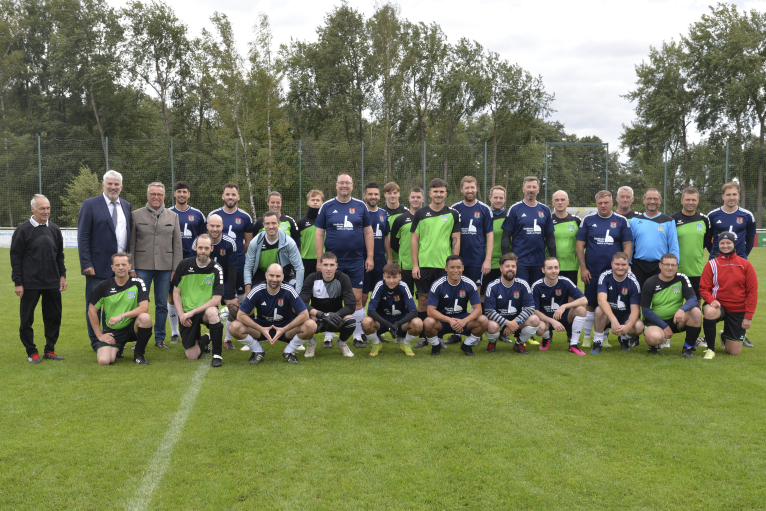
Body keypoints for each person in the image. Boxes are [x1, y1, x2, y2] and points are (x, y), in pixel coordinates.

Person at [314, 173, 374, 350]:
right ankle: (328, 335)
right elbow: (319, 233)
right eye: (341, 183)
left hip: (356, 260)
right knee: (329, 298)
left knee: (356, 298)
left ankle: (356, 335)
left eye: (347, 183)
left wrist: (369, 256)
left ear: (352, 186)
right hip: (332, 261)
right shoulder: (327, 206)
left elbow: (368, 233)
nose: (344, 186)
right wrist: (320, 259)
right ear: (336, 185)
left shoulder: (360, 206)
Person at [78, 169, 131, 351]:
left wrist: (128, 265)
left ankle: (114, 338)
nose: (113, 187)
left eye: (116, 184)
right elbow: (83, 236)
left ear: (121, 186)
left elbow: (127, 237)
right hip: (97, 266)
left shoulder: (126, 206)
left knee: (116, 305)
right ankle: (96, 341)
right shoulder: (90, 204)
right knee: (94, 306)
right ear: (103, 185)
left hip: (121, 268)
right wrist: (86, 263)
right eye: (110, 183)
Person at [11, 194, 67, 363]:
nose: (46, 211)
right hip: (30, 283)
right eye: (42, 208)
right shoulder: (23, 230)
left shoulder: (55, 229)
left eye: (48, 208)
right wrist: (18, 282)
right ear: (33, 209)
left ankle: (50, 349)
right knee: (27, 318)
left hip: (52, 281)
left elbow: (60, 256)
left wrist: (62, 275)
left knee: (54, 316)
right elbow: (16, 258)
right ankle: (31, 351)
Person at [129, 182, 183, 350]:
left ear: (164, 196)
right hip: (142, 267)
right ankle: (138, 338)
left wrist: (176, 268)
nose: (156, 197)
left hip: (165, 268)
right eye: (153, 194)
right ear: (147, 195)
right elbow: (130, 244)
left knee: (161, 304)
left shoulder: (172, 216)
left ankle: (160, 338)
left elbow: (177, 245)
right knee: (139, 304)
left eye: (159, 194)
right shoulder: (136, 215)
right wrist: (132, 268)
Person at [229, 263, 317, 365]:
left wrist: (284, 329)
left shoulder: (289, 290)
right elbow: (240, 315)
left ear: (283, 277)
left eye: (278, 276)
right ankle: (257, 350)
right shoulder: (257, 290)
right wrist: (261, 328)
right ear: (266, 275)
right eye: (271, 275)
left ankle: (289, 351)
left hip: (285, 328)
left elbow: (304, 314)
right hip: (262, 327)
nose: (274, 279)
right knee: (234, 327)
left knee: (311, 325)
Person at [576, 190, 633, 347]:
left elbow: (627, 245)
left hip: (614, 273)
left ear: (612, 203)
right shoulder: (588, 220)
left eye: (606, 202)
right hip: (592, 271)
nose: (603, 205)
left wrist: (625, 266)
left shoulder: (621, 221)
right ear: (596, 203)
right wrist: (583, 268)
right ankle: (587, 337)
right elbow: (580, 246)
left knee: (610, 304)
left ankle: (604, 337)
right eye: (600, 203)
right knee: (591, 303)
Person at [411, 178, 461, 348]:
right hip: (424, 265)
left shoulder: (453, 213)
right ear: (430, 193)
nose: (438, 194)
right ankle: (423, 337)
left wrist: (454, 266)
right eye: (435, 191)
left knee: (441, 302)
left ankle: (437, 335)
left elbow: (456, 239)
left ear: (446, 194)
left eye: (442, 192)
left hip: (443, 266)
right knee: (423, 300)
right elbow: (414, 240)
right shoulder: (420, 213)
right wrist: (415, 265)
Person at [88, 253, 153, 366]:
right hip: (114, 331)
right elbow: (91, 310)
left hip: (133, 327)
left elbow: (144, 308)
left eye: (124, 264)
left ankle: (139, 355)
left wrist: (121, 316)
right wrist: (100, 335)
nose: (121, 267)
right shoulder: (103, 286)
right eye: (117, 265)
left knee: (145, 318)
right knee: (104, 361)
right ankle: (119, 348)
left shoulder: (138, 283)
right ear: (112, 267)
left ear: (129, 266)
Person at [700, 232, 758, 358]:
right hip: (719, 305)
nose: (725, 245)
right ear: (718, 244)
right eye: (722, 243)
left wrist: (748, 316)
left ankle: (724, 335)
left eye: (728, 243)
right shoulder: (712, 264)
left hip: (738, 309)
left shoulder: (745, 264)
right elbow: (703, 288)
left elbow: (752, 292)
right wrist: (711, 300)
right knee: (709, 311)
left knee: (733, 352)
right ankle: (710, 349)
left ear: (734, 243)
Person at [171, 234, 225, 366]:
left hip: (204, 311)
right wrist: (181, 314)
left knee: (213, 312)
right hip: (187, 313)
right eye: (200, 247)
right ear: (195, 247)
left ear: (211, 249)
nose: (203, 251)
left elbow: (216, 300)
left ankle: (217, 355)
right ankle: (206, 338)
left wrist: (193, 312)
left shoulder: (216, 268)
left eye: (206, 248)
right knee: (192, 356)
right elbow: (176, 293)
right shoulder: (184, 265)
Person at [423, 255, 488, 356]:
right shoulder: (437, 285)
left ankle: (466, 344)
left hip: (462, 319)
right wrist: (449, 320)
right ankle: (436, 345)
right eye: (452, 267)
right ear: (446, 268)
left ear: (463, 268)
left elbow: (478, 309)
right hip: (443, 321)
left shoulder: (470, 284)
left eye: (458, 267)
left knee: (483, 320)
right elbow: (430, 311)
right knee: (427, 322)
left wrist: (464, 321)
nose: (455, 270)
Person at [640, 253, 702, 358]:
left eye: (673, 265)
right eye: (666, 264)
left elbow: (693, 299)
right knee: (653, 338)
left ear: (677, 266)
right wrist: (664, 326)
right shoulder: (650, 282)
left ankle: (688, 348)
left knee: (696, 312)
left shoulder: (682, 278)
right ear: (660, 265)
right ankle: (654, 345)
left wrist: (682, 309)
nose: (670, 268)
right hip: (655, 321)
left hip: (675, 320)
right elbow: (645, 310)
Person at [672, 187, 711, 348]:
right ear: (682, 200)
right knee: (672, 304)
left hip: (696, 272)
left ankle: (692, 340)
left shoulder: (704, 219)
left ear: (698, 201)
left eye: (693, 199)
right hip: (675, 271)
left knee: (695, 307)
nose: (690, 202)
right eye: (687, 199)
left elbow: (707, 244)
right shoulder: (672, 219)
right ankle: (666, 335)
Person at [168, 181, 206, 344]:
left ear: (189, 194)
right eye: (179, 192)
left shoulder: (198, 214)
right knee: (171, 296)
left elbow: (203, 239)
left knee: (192, 296)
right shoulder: (167, 212)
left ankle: (193, 328)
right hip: (172, 262)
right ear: (174, 194)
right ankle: (175, 332)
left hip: (193, 262)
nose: (182, 194)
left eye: (184, 192)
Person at [299, 252, 358, 358]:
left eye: (331, 265)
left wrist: (336, 314)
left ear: (336, 266)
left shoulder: (343, 278)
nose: (328, 268)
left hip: (336, 318)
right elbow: (302, 303)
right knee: (301, 317)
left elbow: (351, 305)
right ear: (320, 266)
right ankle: (311, 343)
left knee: (351, 320)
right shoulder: (311, 278)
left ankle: (341, 343)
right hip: (317, 318)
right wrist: (321, 315)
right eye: (325, 265)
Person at [193, 214, 238, 349]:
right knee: (201, 311)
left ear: (222, 227)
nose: (214, 229)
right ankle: (200, 338)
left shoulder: (230, 243)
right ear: (207, 226)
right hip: (203, 282)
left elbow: (232, 271)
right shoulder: (199, 242)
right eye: (212, 226)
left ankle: (227, 340)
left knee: (234, 308)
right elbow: (193, 268)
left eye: (218, 226)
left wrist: (230, 297)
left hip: (223, 281)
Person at [483, 253, 543, 355]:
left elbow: (530, 308)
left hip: (518, 321)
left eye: (513, 266)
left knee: (535, 319)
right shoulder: (492, 286)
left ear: (516, 268)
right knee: (491, 326)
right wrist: (507, 323)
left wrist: (515, 322)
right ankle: (492, 342)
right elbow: (489, 311)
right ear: (501, 268)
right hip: (499, 323)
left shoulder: (523, 284)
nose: (510, 269)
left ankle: (519, 344)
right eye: (507, 266)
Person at [501, 176, 556, 285]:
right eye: (528, 187)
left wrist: (553, 259)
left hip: (539, 262)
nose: (531, 190)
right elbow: (506, 237)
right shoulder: (515, 209)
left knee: (536, 293)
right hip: (520, 262)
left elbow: (550, 238)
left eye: (534, 187)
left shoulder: (545, 210)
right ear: (523, 189)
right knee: (520, 293)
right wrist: (506, 260)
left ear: (538, 190)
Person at [357, 182, 392, 347]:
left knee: (381, 296)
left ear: (380, 196)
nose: (373, 197)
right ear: (365, 195)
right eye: (370, 194)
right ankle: (360, 331)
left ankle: (378, 330)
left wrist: (389, 259)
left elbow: (386, 237)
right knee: (363, 297)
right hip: (363, 259)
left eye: (376, 194)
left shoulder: (384, 214)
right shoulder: (359, 212)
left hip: (380, 260)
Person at [362, 263, 423, 356]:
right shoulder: (379, 286)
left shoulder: (404, 286)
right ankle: (376, 344)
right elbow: (370, 311)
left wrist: (398, 324)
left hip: (400, 321)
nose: (391, 281)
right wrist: (387, 324)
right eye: (388, 277)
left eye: (394, 277)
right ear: (384, 276)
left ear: (400, 277)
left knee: (418, 323)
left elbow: (414, 312)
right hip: (382, 321)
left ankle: (405, 344)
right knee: (366, 322)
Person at [532, 257, 589, 355]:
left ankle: (573, 344)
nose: (553, 271)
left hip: (564, 316)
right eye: (549, 268)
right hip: (546, 320)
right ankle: (546, 338)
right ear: (543, 270)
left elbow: (584, 300)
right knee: (539, 328)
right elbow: (535, 311)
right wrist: (552, 321)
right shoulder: (537, 286)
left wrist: (564, 306)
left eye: (556, 267)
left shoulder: (565, 281)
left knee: (581, 310)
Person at [208, 182, 254, 302]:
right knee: (213, 294)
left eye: (233, 194)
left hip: (238, 262)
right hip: (216, 261)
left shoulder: (245, 217)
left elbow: (248, 242)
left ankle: (237, 320)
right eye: (227, 194)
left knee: (239, 295)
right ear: (223, 196)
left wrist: (235, 253)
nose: (230, 197)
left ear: (238, 197)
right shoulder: (214, 215)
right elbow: (207, 240)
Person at [593, 252, 644, 353]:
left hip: (625, 316)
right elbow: (601, 300)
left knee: (639, 327)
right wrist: (613, 320)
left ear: (628, 265)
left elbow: (635, 311)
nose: (620, 267)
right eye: (617, 264)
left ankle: (624, 338)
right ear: (612, 264)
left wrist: (628, 326)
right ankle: (597, 341)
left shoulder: (633, 282)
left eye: (623, 265)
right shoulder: (605, 276)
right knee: (599, 310)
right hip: (608, 315)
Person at [244, 210, 304, 296]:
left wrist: (297, 293)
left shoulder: (289, 242)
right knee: (250, 302)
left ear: (279, 224)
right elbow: (248, 267)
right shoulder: (255, 242)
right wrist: (248, 291)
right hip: (261, 275)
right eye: (267, 224)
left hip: (284, 275)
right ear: (263, 225)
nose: (271, 226)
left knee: (292, 297)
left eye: (273, 223)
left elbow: (299, 268)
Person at [451, 176, 493, 296]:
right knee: (456, 290)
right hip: (458, 259)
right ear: (461, 190)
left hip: (477, 259)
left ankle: (474, 315)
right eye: (467, 188)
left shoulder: (485, 209)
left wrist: (487, 260)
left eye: (472, 187)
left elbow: (490, 236)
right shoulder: (455, 209)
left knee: (476, 292)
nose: (470, 190)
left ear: (476, 189)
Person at [629, 188, 679, 289]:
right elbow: (630, 245)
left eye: (655, 199)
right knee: (637, 297)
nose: (652, 201)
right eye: (649, 198)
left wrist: (674, 265)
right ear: (644, 200)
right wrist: (628, 264)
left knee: (658, 298)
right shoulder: (634, 221)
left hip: (660, 266)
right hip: (638, 266)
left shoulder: (668, 221)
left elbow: (673, 245)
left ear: (660, 201)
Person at [708, 181, 756, 260]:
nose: (731, 198)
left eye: (734, 194)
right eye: (728, 195)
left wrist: (742, 256)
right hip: (717, 260)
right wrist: (715, 253)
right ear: (723, 196)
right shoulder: (712, 215)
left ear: (738, 196)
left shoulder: (747, 215)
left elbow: (750, 241)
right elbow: (707, 240)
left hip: (739, 260)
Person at [550, 190, 581, 284]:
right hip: (551, 267)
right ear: (553, 202)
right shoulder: (547, 221)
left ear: (568, 201)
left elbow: (583, 244)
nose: (560, 202)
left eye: (563, 200)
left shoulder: (576, 221)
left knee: (571, 297)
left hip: (571, 267)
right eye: (557, 200)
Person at [297, 190, 325, 276]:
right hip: (306, 261)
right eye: (313, 200)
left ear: (322, 203)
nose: (315, 202)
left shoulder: (326, 220)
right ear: (308, 202)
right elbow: (297, 245)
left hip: (324, 260)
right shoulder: (301, 222)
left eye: (318, 200)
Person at [485, 186, 508, 287]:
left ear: (505, 199)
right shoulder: (484, 214)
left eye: (501, 198)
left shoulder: (510, 215)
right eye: (495, 197)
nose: (498, 200)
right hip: (486, 264)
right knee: (484, 297)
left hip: (505, 263)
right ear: (490, 198)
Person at [381, 182, 409, 263]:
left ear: (399, 194)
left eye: (395, 193)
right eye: (389, 193)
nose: (392, 196)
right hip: (386, 258)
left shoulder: (406, 212)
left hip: (403, 258)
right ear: (385, 195)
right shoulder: (381, 213)